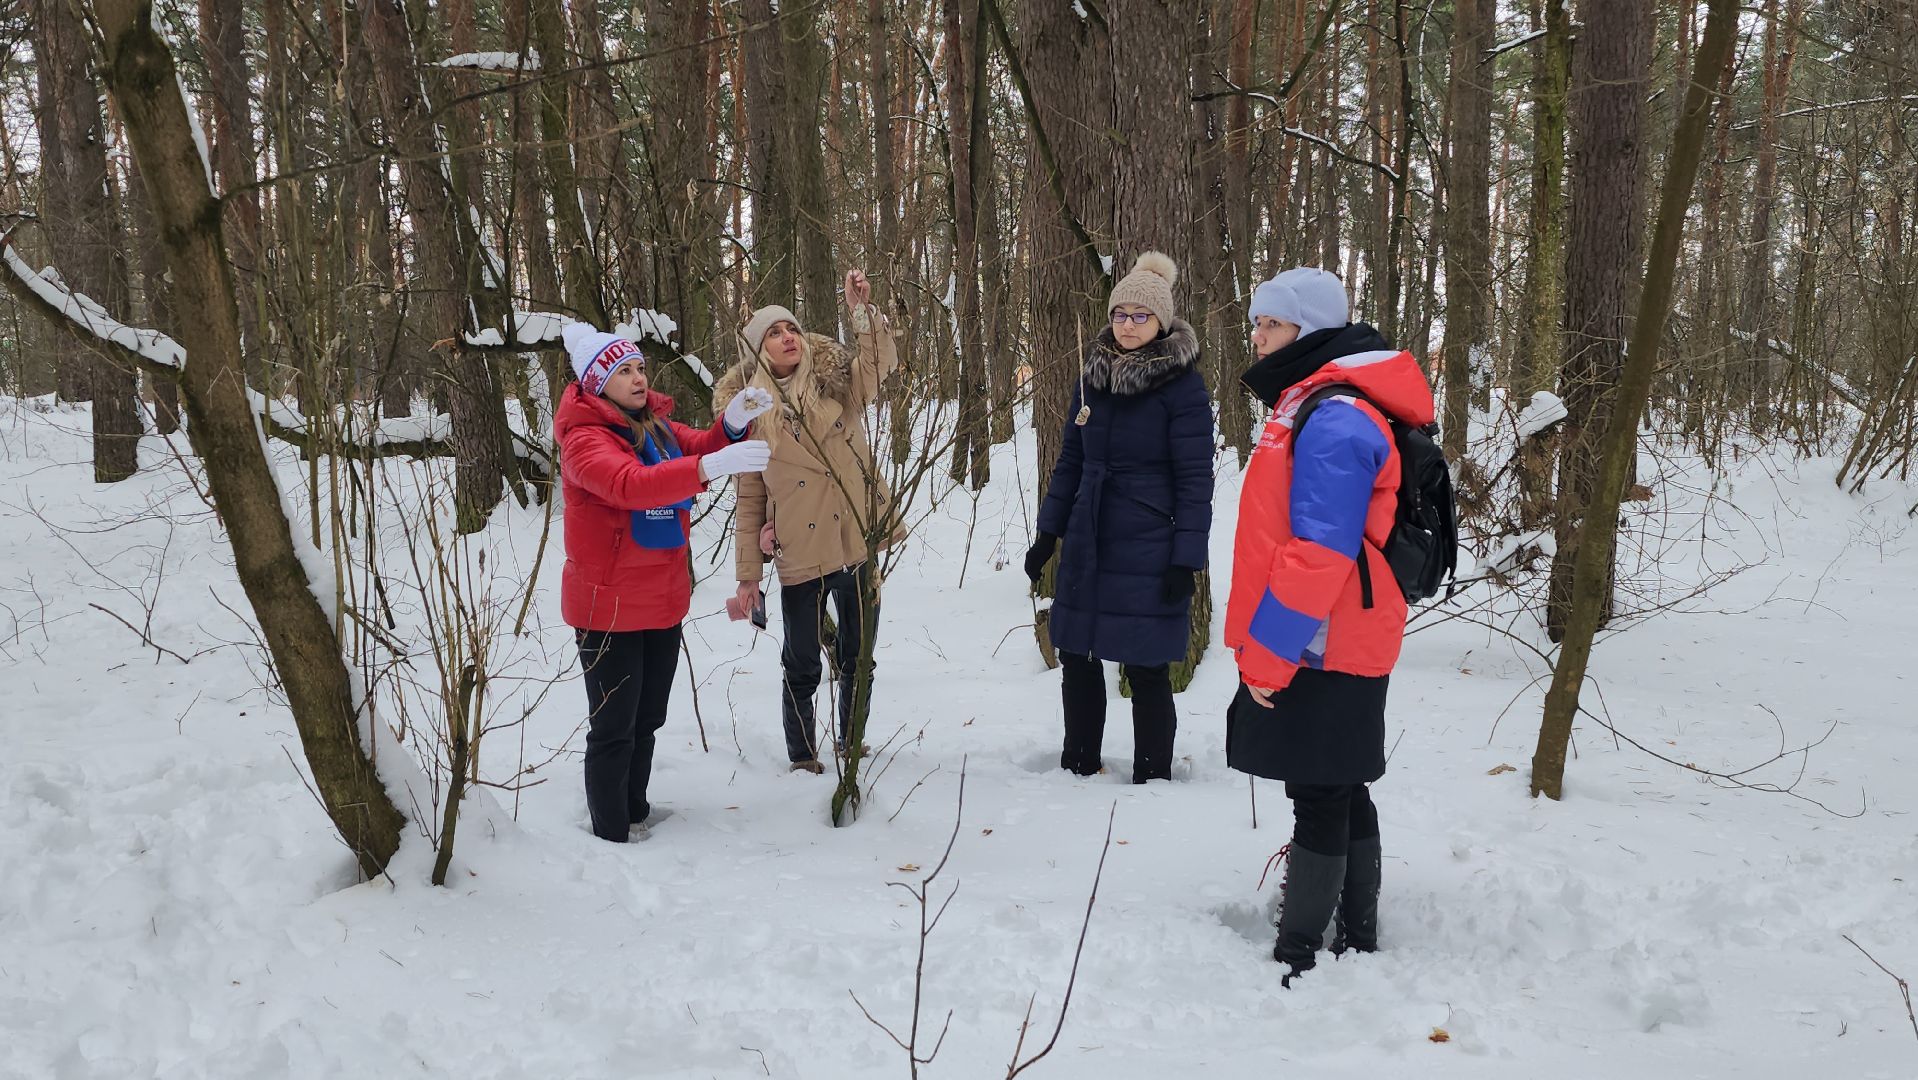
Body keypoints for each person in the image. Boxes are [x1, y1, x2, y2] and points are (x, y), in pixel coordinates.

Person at [1222, 267, 1436, 984]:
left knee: (1321, 787)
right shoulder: (1311, 401)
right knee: (1340, 781)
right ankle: (1358, 932)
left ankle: (1301, 950)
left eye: (1270, 324)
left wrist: (1268, 656)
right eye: (1257, 322)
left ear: (1307, 330)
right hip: (1333, 630)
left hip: (1327, 636)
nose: (1257, 335)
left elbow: (1318, 554)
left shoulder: (1336, 415)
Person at [556, 322, 774, 842]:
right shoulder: (584, 439)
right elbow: (629, 484)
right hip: (607, 607)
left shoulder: (652, 426)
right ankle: (610, 834)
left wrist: (732, 424)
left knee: (648, 717)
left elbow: (698, 445)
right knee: (614, 728)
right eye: (623, 371)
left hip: (661, 599)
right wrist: (712, 464)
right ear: (594, 382)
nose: (637, 378)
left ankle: (634, 812)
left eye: (639, 368)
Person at [1023, 252, 1213, 784]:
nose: (1128, 326)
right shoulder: (1093, 377)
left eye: (1140, 316)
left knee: (1147, 664)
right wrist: (1048, 534)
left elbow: (1196, 480)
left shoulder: (1183, 386)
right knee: (1078, 654)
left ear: (1162, 322)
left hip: (1149, 540)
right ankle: (1078, 765)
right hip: (1089, 534)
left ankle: (1153, 778)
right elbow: (1072, 462)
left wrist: (1186, 560)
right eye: (1120, 315)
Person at [714, 270, 903, 774]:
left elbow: (880, 362)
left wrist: (860, 312)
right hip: (798, 544)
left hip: (852, 533)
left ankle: (851, 738)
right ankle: (802, 755)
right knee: (801, 660)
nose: (787, 337)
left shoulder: (837, 385)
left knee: (857, 651)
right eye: (774, 333)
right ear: (758, 350)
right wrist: (748, 574)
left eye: (791, 328)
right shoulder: (749, 413)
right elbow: (750, 496)